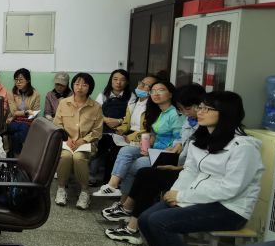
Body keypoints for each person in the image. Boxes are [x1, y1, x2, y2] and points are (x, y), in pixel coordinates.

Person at [138, 91, 263, 246]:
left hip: (229, 208)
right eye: (201, 107)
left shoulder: (244, 147)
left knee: (160, 221)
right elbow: (190, 171)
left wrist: (183, 196)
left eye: (207, 108)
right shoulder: (201, 139)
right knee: (145, 218)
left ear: (225, 113)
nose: (200, 112)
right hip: (196, 199)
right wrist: (175, 194)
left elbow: (230, 189)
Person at [103, 83, 206, 244]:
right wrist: (177, 146)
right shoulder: (189, 120)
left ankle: (129, 217)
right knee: (141, 170)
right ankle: (127, 214)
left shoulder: (207, 128)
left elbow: (202, 164)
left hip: (188, 171)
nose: (184, 113)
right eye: (181, 109)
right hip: (179, 163)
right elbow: (182, 141)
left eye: (187, 109)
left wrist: (178, 165)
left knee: (143, 171)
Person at [93, 80, 183, 198]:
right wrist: (148, 142)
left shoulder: (175, 113)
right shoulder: (160, 112)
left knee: (135, 165)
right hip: (153, 149)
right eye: (153, 91)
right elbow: (154, 133)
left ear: (170, 94)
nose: (156, 94)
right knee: (126, 150)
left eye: (161, 90)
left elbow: (179, 138)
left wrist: (158, 148)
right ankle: (112, 185)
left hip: (164, 154)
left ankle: (125, 202)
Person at [53, 73, 103, 210]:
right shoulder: (63, 103)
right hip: (66, 142)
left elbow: (97, 131)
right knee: (65, 156)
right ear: (73, 85)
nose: (80, 88)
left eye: (84, 85)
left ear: (90, 88)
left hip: (86, 144)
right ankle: (61, 188)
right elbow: (57, 124)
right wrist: (67, 138)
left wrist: (83, 140)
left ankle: (85, 191)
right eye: (77, 84)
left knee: (79, 157)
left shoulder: (96, 107)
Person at [89, 69, 131, 183]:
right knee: (100, 145)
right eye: (115, 79)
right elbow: (96, 112)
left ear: (127, 82)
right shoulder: (103, 95)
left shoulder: (131, 96)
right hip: (103, 127)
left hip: (121, 129)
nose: (118, 82)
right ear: (111, 81)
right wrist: (106, 120)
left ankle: (111, 180)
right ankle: (92, 175)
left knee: (115, 149)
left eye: (122, 80)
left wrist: (119, 121)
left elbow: (131, 115)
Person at [6, 68, 40, 156]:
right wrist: (26, 112)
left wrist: (27, 114)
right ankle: (23, 155)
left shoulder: (35, 94)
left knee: (17, 135)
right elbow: (13, 112)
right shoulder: (11, 93)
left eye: (21, 80)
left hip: (29, 122)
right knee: (24, 127)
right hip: (13, 122)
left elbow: (35, 112)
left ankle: (15, 155)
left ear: (28, 80)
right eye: (16, 80)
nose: (18, 82)